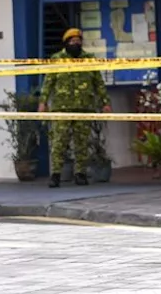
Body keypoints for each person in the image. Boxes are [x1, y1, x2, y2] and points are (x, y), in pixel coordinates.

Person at [38, 28, 110, 188]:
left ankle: (80, 174)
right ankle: (56, 174)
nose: (76, 43)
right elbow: (48, 82)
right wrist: (43, 102)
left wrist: (105, 102)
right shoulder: (57, 59)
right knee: (59, 142)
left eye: (78, 41)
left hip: (83, 107)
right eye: (72, 41)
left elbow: (98, 82)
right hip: (61, 108)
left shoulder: (88, 59)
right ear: (66, 43)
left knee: (81, 142)